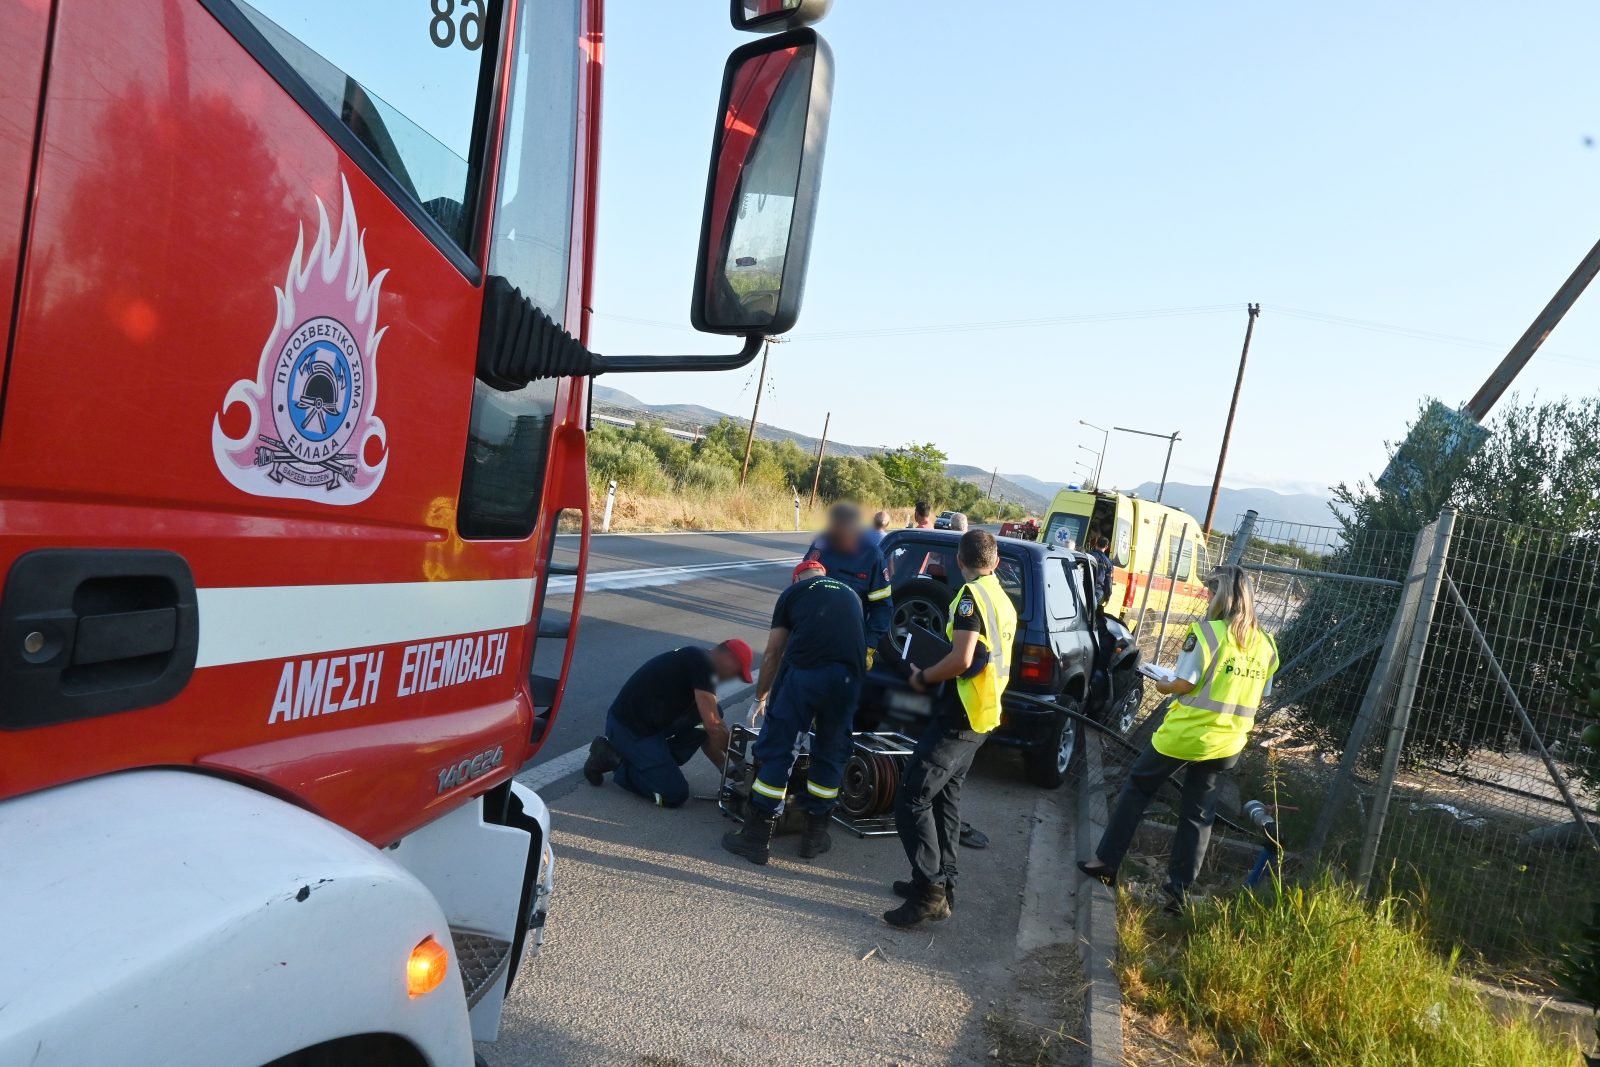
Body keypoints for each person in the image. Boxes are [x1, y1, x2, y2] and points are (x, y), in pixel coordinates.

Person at [1077, 565, 1279, 911]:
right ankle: (1178, 893)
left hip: (1186, 735)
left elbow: (1184, 683)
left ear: (1222, 596)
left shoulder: (1207, 634)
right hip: (1228, 742)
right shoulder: (1267, 644)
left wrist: (1161, 683)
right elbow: (1262, 691)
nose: (1205, 597)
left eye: (1210, 591)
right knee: (1198, 814)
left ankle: (1106, 864)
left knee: (1138, 787)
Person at [885, 530, 1018, 927]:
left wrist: (923, 676)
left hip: (961, 714)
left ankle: (930, 893)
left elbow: (962, 659)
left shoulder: (969, 599)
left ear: (959, 562)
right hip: (984, 713)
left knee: (912, 796)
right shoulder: (1002, 599)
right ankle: (944, 883)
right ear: (995, 563)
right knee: (945, 798)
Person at [723, 561, 865, 865]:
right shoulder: (851, 594)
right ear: (825, 574)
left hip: (807, 678)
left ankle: (757, 838)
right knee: (830, 753)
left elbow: (775, 650)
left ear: (796, 577)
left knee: (780, 749)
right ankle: (813, 838)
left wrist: (760, 696)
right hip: (847, 682)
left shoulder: (795, 592)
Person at [583, 639, 754, 807]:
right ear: (728, 658)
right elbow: (714, 726)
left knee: (712, 713)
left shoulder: (699, 661)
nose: (734, 678)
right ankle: (610, 758)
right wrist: (739, 761)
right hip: (628, 729)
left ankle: (656, 766)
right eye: (737, 672)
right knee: (674, 794)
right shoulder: (702, 663)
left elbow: (708, 733)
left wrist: (726, 768)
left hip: (650, 725)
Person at [802, 502, 892, 670]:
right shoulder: (821, 544)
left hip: (846, 646)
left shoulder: (872, 556)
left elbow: (882, 607)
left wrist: (869, 646)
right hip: (809, 638)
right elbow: (800, 585)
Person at [1089, 535, 1114, 606]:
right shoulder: (1108, 563)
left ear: (1096, 544)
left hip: (1083, 587)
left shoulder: (1087, 555)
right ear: (1106, 547)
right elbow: (1108, 581)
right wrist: (1107, 597)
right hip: (1097, 591)